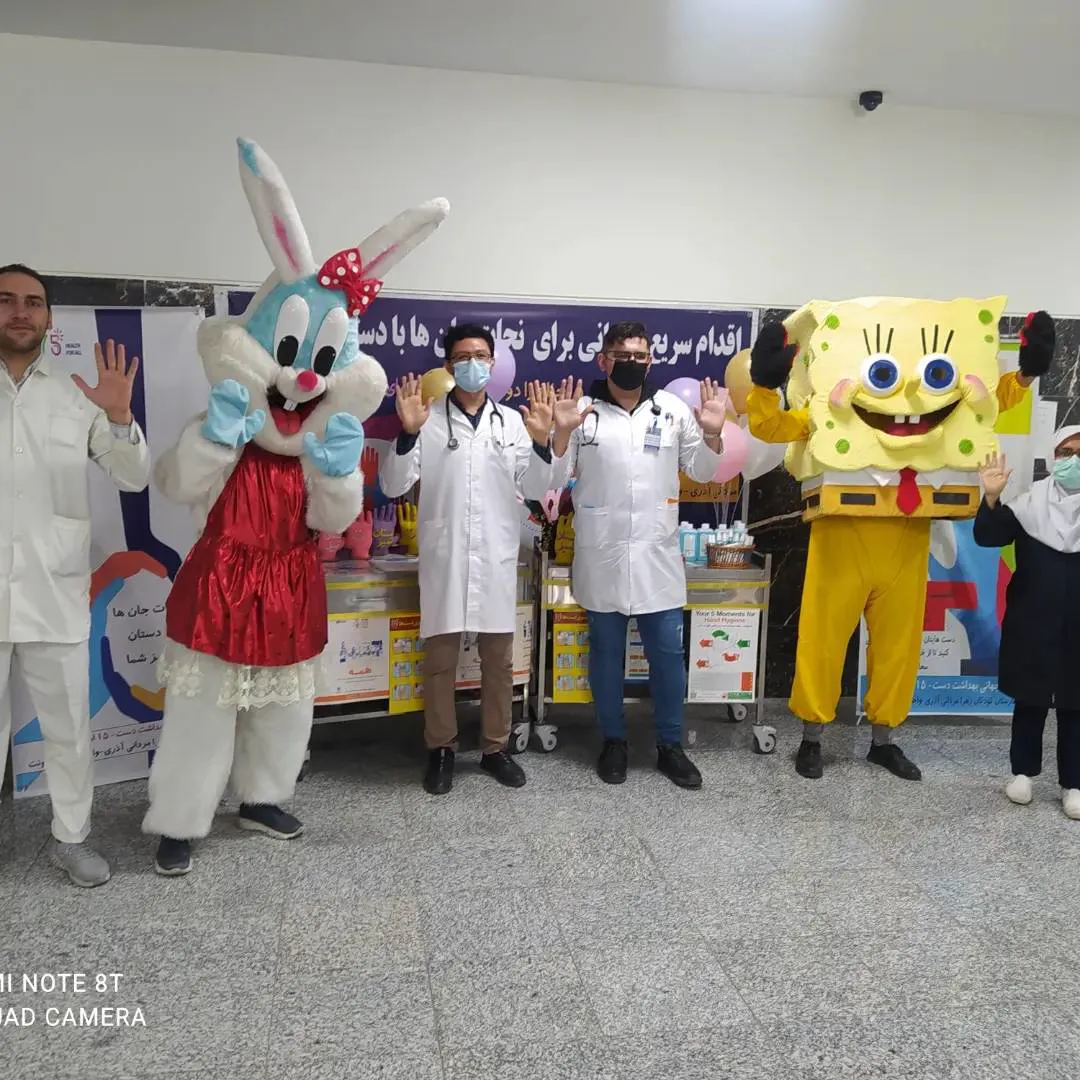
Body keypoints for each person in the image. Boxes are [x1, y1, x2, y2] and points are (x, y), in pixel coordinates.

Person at [141, 137, 446, 874]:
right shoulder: (227, 427)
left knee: (283, 708)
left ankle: (263, 797)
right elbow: (175, 483)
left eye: (321, 364)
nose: (301, 381)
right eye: (288, 355)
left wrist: (339, 475)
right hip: (219, 584)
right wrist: (212, 440)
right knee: (203, 710)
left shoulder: (316, 446)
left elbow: (333, 522)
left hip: (290, 582)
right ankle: (180, 820)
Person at [747, 301, 1054, 781]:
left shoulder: (939, 413)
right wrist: (765, 386)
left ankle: (883, 740)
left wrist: (1027, 374)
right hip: (841, 536)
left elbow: (988, 404)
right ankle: (811, 738)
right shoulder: (827, 413)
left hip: (907, 536)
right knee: (823, 640)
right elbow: (771, 426)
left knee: (899, 646)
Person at [0, 263, 151, 886]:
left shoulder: (75, 396)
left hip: (54, 589)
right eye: (7, 300)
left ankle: (72, 839)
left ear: (49, 318)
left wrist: (118, 417)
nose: (20, 312)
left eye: (33, 303)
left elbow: (133, 477)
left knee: (67, 730)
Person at [380, 324, 572, 795]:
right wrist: (406, 435)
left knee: (499, 664)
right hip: (445, 558)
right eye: (463, 356)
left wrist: (543, 442)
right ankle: (441, 749)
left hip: (495, 558)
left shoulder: (512, 423)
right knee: (440, 664)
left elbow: (537, 486)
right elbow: (393, 483)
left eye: (481, 356)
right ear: (448, 365)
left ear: (492, 363)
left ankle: (495, 749)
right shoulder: (427, 419)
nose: (473, 364)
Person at [551, 320, 727, 788]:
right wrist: (561, 435)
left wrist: (712, 436)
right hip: (602, 553)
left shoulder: (672, 410)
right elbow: (552, 478)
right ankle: (613, 741)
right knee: (606, 654)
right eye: (622, 356)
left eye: (640, 356)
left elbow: (702, 470)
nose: (632, 364)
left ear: (650, 361)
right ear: (603, 360)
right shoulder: (581, 412)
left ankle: (671, 745)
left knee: (668, 654)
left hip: (657, 555)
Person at [974, 435, 1080, 819]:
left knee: (1075, 703)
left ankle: (1074, 783)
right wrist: (991, 497)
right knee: (1030, 698)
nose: (1073, 461)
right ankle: (1022, 773)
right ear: (1054, 457)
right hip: (1032, 619)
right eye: (1066, 452)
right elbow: (988, 537)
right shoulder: (1029, 504)